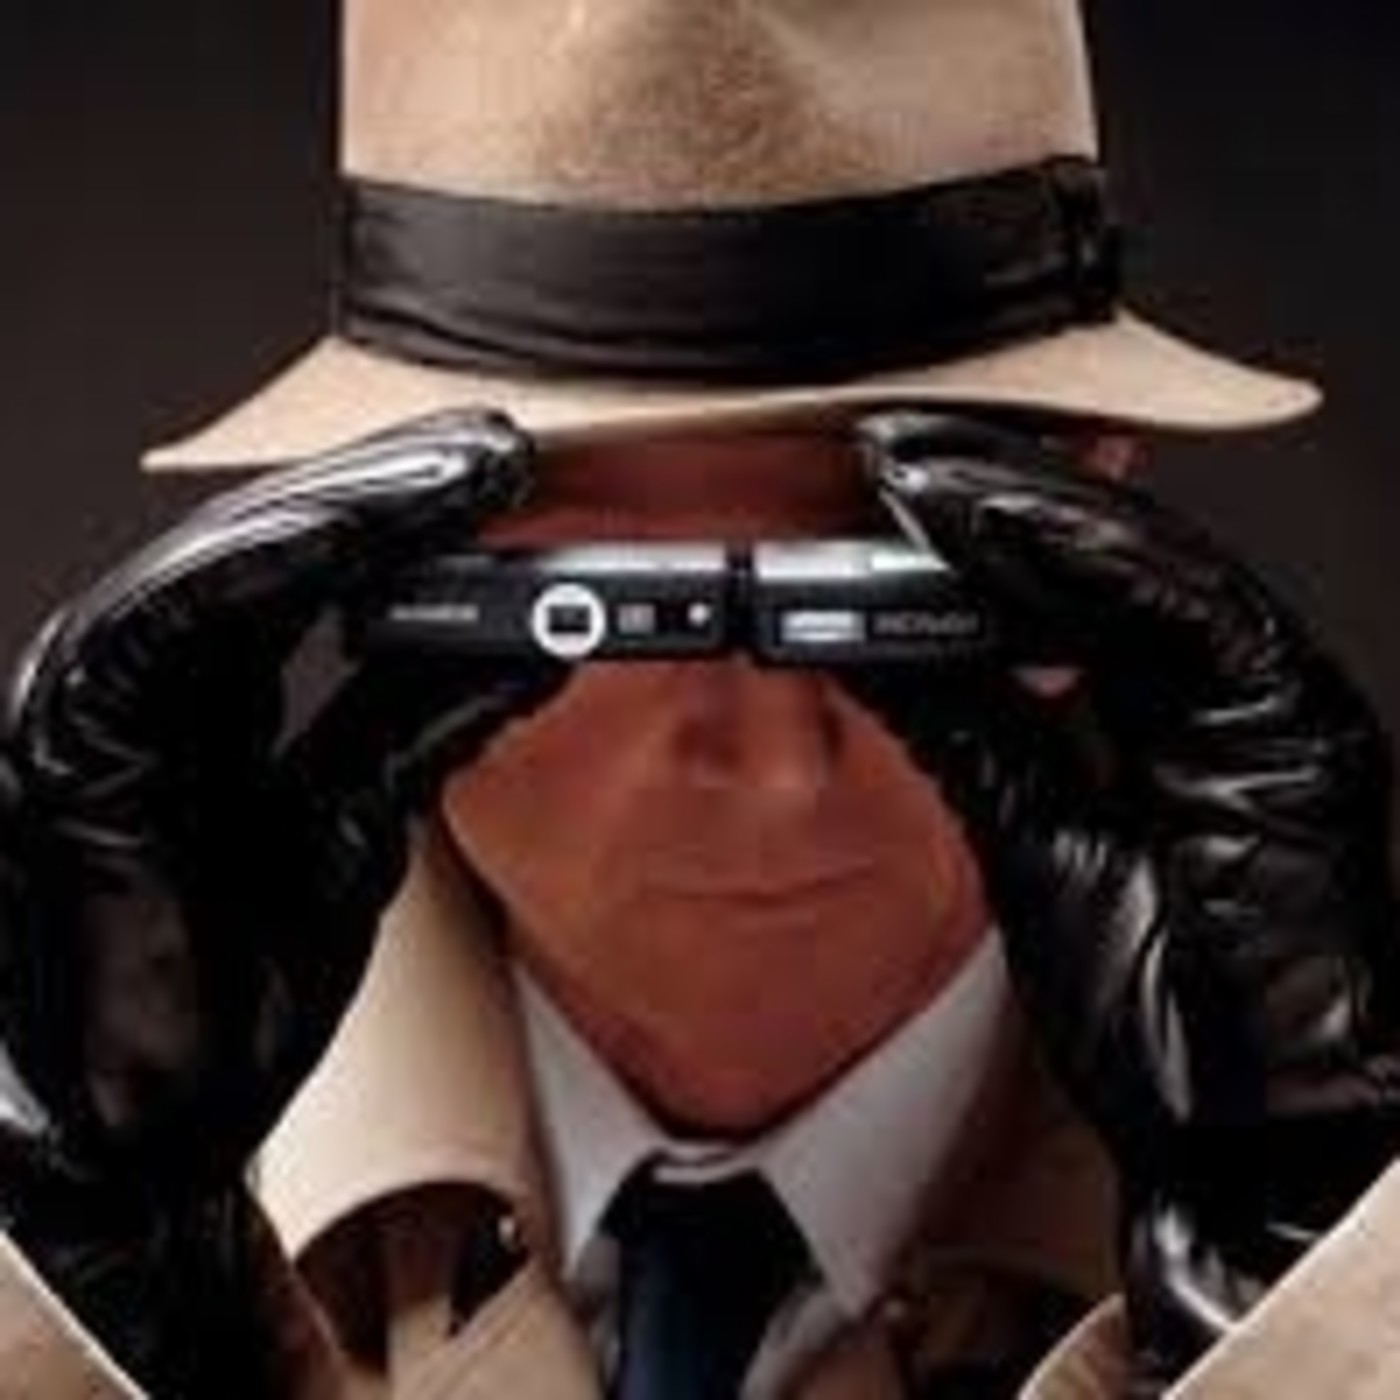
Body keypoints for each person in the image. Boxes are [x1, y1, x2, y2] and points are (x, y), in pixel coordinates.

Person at [4, 1, 1400, 1398]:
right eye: (601, 600)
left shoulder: (1342, 1175)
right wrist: (92, 1292)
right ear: (368, 569)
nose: (771, 763)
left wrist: (1297, 1280)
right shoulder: (89, 1174)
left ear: (1087, 535)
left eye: (879, 596)